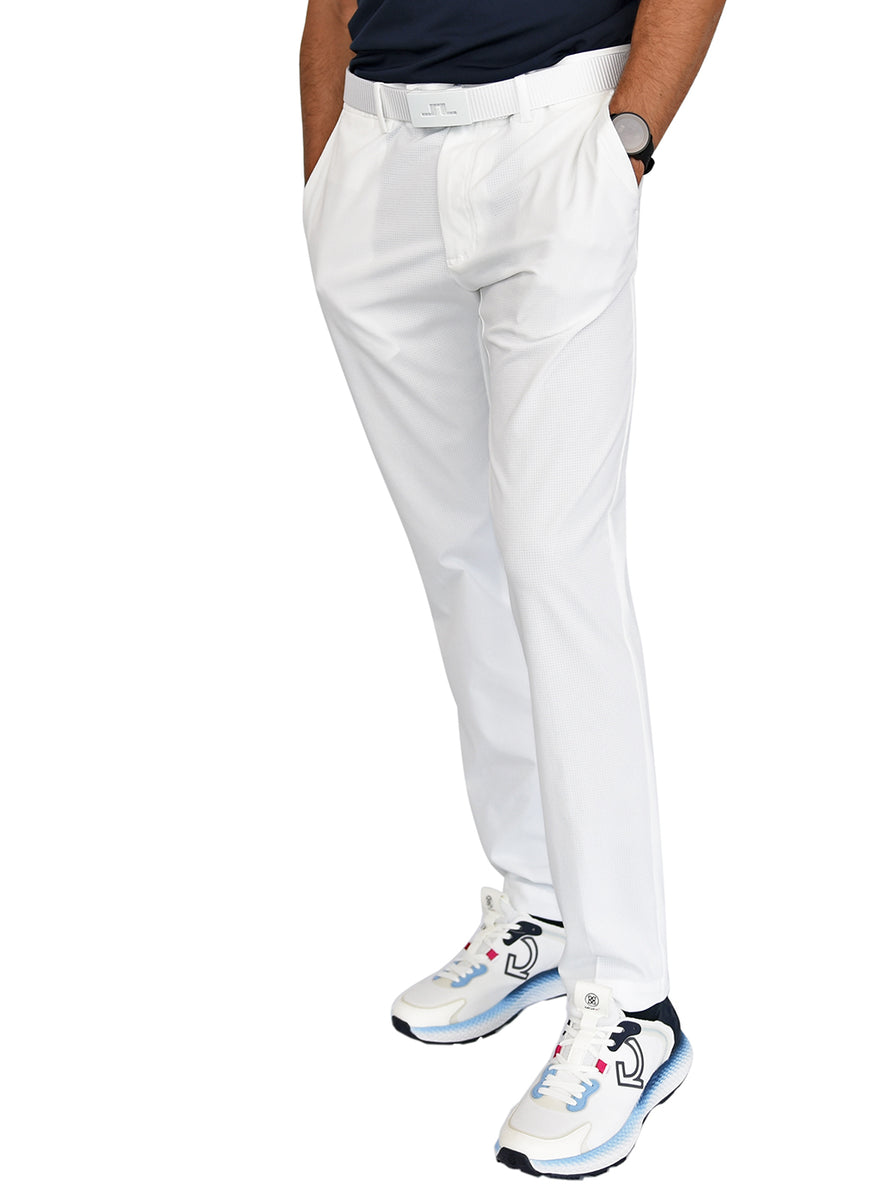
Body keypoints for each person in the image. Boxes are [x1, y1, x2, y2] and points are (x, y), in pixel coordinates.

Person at [299, 0, 726, 1178]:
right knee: (460, 559)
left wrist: (628, 138)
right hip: (378, 154)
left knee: (557, 564)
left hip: (554, 132)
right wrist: (327, 174)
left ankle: (631, 1003)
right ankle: (537, 902)